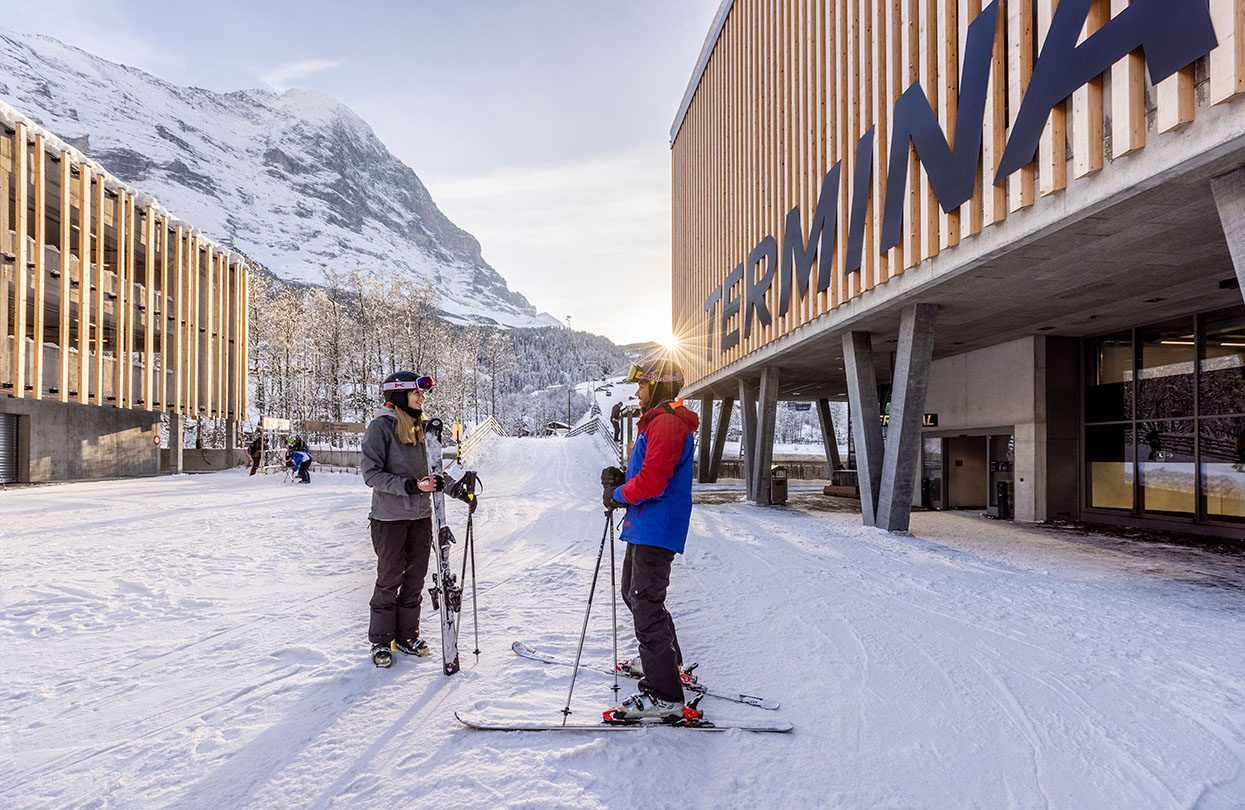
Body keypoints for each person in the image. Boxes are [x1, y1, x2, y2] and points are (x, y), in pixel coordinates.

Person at [600, 358, 699, 721]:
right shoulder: (658, 423)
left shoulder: (668, 424)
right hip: (646, 524)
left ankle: (664, 693)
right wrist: (621, 477)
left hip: (656, 526)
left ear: (657, 386)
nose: (637, 391)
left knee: (645, 603)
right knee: (635, 594)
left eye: (641, 385)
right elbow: (648, 471)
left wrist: (619, 494)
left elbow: (655, 482)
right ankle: (666, 664)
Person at [360, 371, 444, 668]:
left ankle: (407, 636)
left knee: (415, 578)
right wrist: (410, 486)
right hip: (390, 517)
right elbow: (371, 474)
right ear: (399, 396)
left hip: (421, 516)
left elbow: (432, 468)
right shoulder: (381, 427)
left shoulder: (425, 428)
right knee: (390, 577)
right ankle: (382, 640)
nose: (422, 398)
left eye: (422, 394)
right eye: (416, 394)